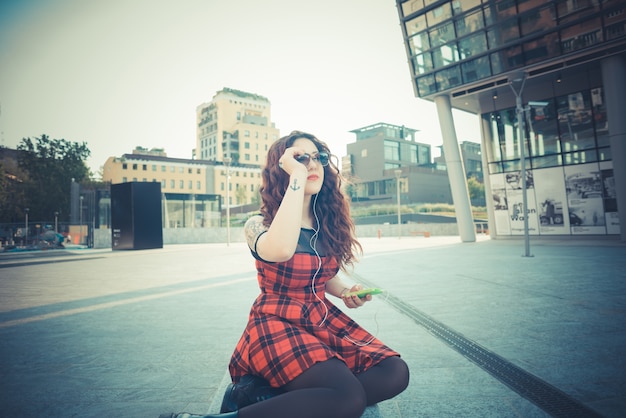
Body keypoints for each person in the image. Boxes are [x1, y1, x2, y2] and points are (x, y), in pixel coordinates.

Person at [160, 131, 409, 418]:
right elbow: (280, 250)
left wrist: (345, 291)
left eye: (318, 158)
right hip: (276, 322)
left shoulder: (325, 223)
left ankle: (289, 400)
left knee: (394, 371)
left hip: (321, 318)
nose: (311, 165)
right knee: (348, 398)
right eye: (300, 158)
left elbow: (321, 274)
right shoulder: (259, 223)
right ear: (283, 168)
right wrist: (297, 180)